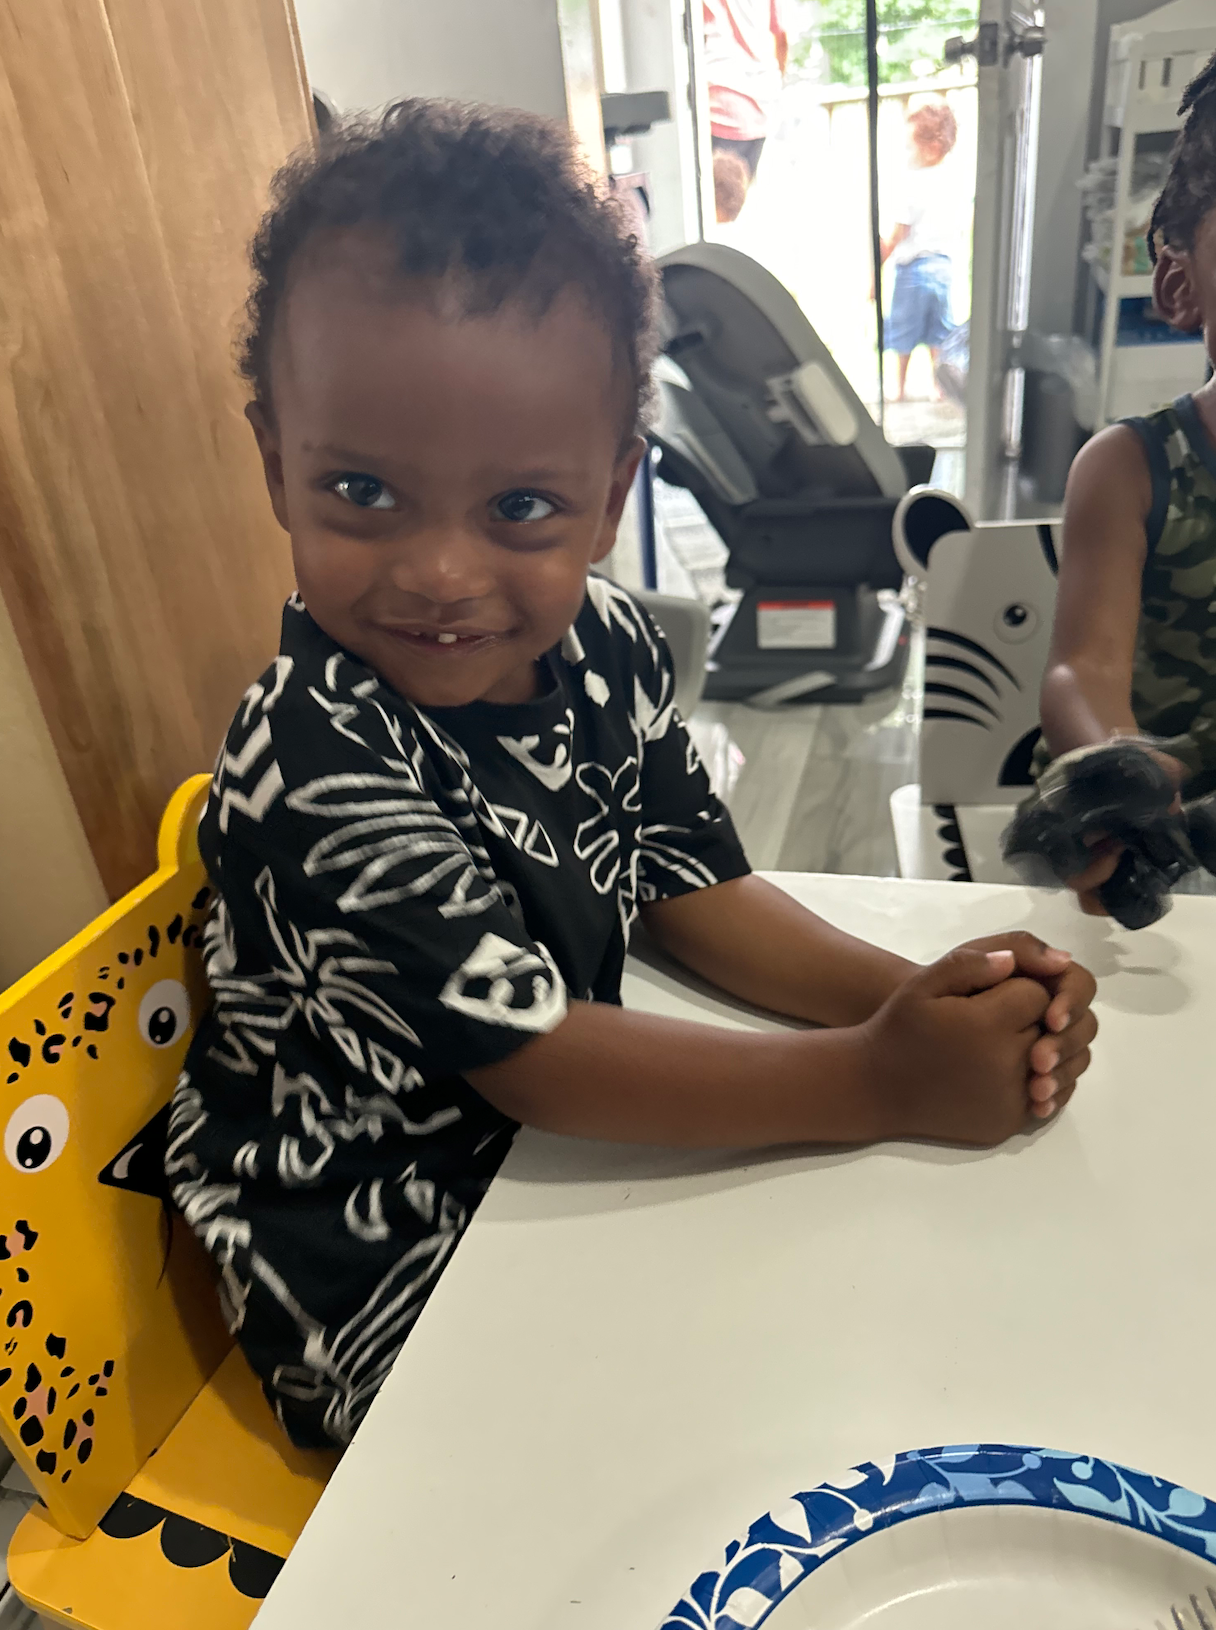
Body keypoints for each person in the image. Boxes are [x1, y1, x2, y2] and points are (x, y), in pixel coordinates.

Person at [166, 100, 1097, 1450]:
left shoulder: (601, 641)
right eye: (362, 491)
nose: (437, 571)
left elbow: (689, 880)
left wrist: (922, 1000)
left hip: (557, 1171)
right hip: (387, 1278)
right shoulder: (312, 753)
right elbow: (534, 1060)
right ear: (275, 464)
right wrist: (882, 1078)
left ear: (610, 497)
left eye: (520, 508)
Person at [1037, 50, 1216, 915]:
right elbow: (1083, 666)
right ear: (1181, 282)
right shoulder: (1131, 467)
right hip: (1142, 842)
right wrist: (1122, 773)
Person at [879, 101, 962, 402]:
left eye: (910, 142)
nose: (907, 149)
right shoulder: (953, 180)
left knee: (904, 330)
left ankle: (899, 388)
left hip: (913, 268)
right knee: (938, 332)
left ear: (930, 146)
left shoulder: (912, 183)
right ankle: (938, 387)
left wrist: (880, 260)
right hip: (944, 267)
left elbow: (898, 232)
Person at [703, 0, 788, 217]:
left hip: (720, 105)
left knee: (714, 213)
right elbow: (782, 38)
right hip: (760, 105)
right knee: (732, 211)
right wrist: (775, 86)